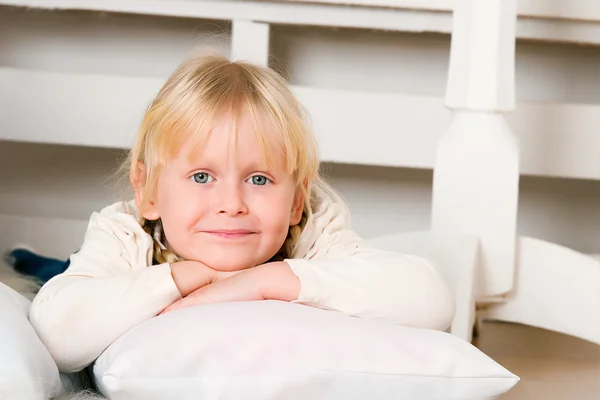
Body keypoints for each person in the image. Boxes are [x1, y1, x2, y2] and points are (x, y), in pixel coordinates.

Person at [29, 53, 455, 374]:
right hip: (102, 268)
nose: (231, 203)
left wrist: (263, 281)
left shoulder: (311, 233)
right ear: (148, 191)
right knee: (43, 271)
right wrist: (187, 276)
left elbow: (432, 300)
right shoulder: (126, 233)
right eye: (201, 176)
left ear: (295, 200)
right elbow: (57, 333)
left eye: (259, 180)